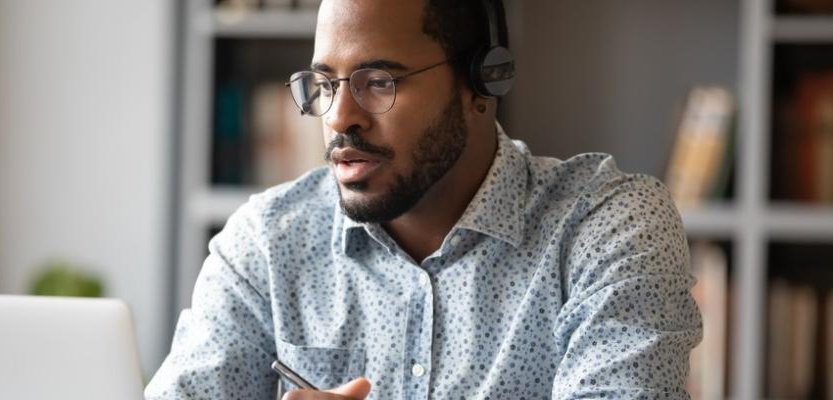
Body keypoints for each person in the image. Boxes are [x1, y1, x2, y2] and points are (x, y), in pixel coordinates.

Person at [145, 0, 702, 399]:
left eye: (379, 81)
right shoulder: (267, 244)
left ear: (483, 81)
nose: (340, 117)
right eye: (324, 83)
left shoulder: (609, 228)